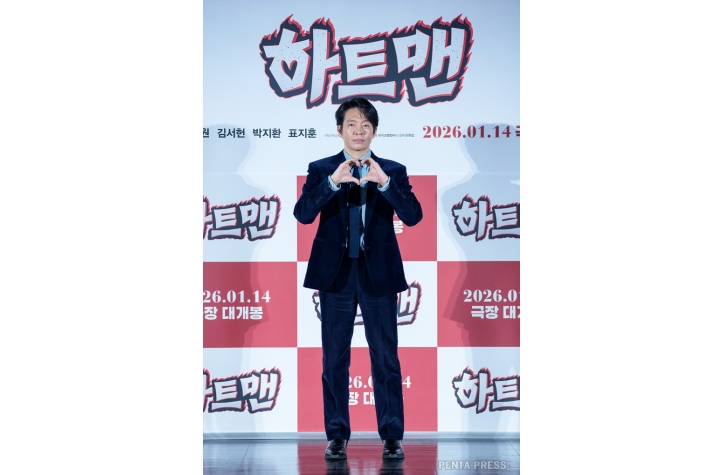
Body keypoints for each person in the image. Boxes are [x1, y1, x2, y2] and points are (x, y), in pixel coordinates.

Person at [294, 98, 423, 460]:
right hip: (335, 275)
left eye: (366, 125)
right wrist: (332, 183)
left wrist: (385, 184)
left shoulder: (392, 170)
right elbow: (303, 214)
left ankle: (392, 436)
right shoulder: (322, 169)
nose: (359, 131)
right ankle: (336, 435)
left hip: (378, 273)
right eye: (352, 124)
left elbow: (413, 216)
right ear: (339, 129)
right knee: (334, 359)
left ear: (374, 131)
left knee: (385, 358)